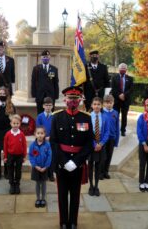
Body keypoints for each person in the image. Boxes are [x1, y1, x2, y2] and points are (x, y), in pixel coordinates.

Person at [50, 86, 94, 229]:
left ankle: (73, 222)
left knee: (75, 194)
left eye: (75, 99)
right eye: (70, 98)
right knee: (62, 194)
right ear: (65, 100)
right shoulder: (57, 117)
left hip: (78, 163)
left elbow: (89, 143)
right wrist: (63, 161)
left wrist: (76, 161)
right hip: (62, 164)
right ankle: (63, 222)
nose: (73, 101)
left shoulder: (86, 118)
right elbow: (53, 142)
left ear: (80, 100)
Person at [88, 97, 110, 196]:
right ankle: (90, 186)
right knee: (90, 166)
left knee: (98, 167)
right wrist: (94, 144)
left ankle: (96, 186)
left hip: (101, 145)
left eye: (98, 104)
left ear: (102, 106)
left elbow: (107, 132)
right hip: (90, 145)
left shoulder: (105, 117)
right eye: (95, 104)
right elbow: (87, 132)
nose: (96, 106)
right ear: (92, 105)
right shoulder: (88, 116)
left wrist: (101, 144)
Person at [3, 114, 27, 194]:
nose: (15, 125)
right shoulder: (8, 134)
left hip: (19, 156)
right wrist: (5, 156)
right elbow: (5, 146)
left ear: (19, 124)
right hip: (10, 155)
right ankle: (11, 184)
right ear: (11, 124)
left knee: (18, 170)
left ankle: (17, 184)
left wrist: (24, 156)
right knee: (10, 170)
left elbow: (24, 145)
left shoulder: (21, 134)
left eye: (17, 123)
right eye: (14, 123)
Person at [29, 126, 52, 208]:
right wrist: (35, 166)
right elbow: (31, 156)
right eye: (38, 133)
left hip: (45, 168)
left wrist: (46, 166)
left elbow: (49, 156)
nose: (40, 135)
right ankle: (38, 198)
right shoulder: (32, 145)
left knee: (44, 183)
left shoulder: (47, 145)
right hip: (36, 168)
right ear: (35, 134)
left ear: (44, 134)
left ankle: (43, 199)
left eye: (42, 133)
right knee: (38, 183)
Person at [31, 49, 59, 114]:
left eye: (47, 57)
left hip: (50, 95)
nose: (45, 58)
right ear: (41, 58)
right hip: (40, 95)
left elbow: (56, 83)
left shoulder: (54, 69)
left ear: (49, 57)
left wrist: (56, 95)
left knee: (51, 113)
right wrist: (34, 94)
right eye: (44, 57)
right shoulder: (36, 68)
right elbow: (33, 82)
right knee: (40, 113)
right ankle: (41, 124)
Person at [111, 63, 133, 136]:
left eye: (124, 68)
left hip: (125, 100)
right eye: (121, 68)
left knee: (124, 116)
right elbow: (113, 89)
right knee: (115, 115)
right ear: (118, 69)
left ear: (126, 70)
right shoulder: (114, 78)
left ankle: (123, 130)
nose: (122, 70)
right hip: (116, 100)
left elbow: (131, 89)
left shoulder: (130, 78)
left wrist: (124, 95)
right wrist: (119, 95)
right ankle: (115, 129)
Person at [35, 96, 55, 181]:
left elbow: (55, 128)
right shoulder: (40, 116)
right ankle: (44, 174)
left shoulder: (54, 116)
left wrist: (50, 136)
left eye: (50, 105)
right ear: (43, 106)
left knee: (51, 157)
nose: (48, 107)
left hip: (51, 140)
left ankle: (51, 174)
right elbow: (38, 128)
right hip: (42, 140)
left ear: (52, 106)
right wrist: (43, 137)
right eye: (46, 105)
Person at [101, 95, 120, 179]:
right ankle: (100, 173)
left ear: (113, 103)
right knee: (103, 156)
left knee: (109, 156)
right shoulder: (101, 113)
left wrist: (116, 140)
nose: (109, 104)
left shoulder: (115, 113)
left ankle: (106, 171)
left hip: (112, 138)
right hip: (103, 139)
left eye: (110, 103)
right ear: (104, 103)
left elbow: (117, 127)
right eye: (107, 103)